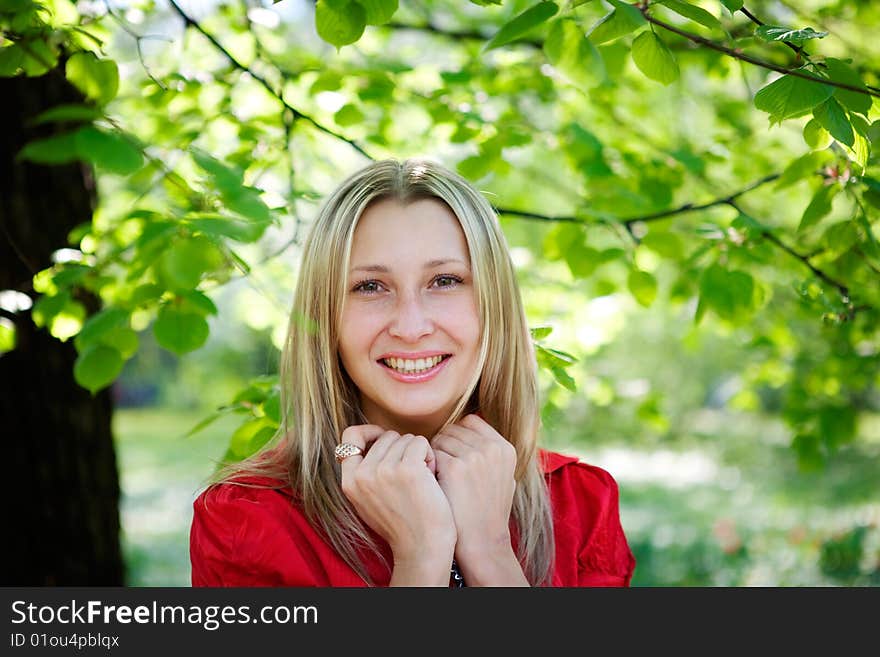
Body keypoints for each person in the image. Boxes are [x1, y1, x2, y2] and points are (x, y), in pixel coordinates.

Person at [189, 158, 636, 587]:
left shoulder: (581, 503)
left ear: (493, 304)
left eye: (444, 281)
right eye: (369, 286)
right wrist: (421, 556)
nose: (410, 326)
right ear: (326, 318)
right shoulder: (247, 519)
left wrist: (490, 552)